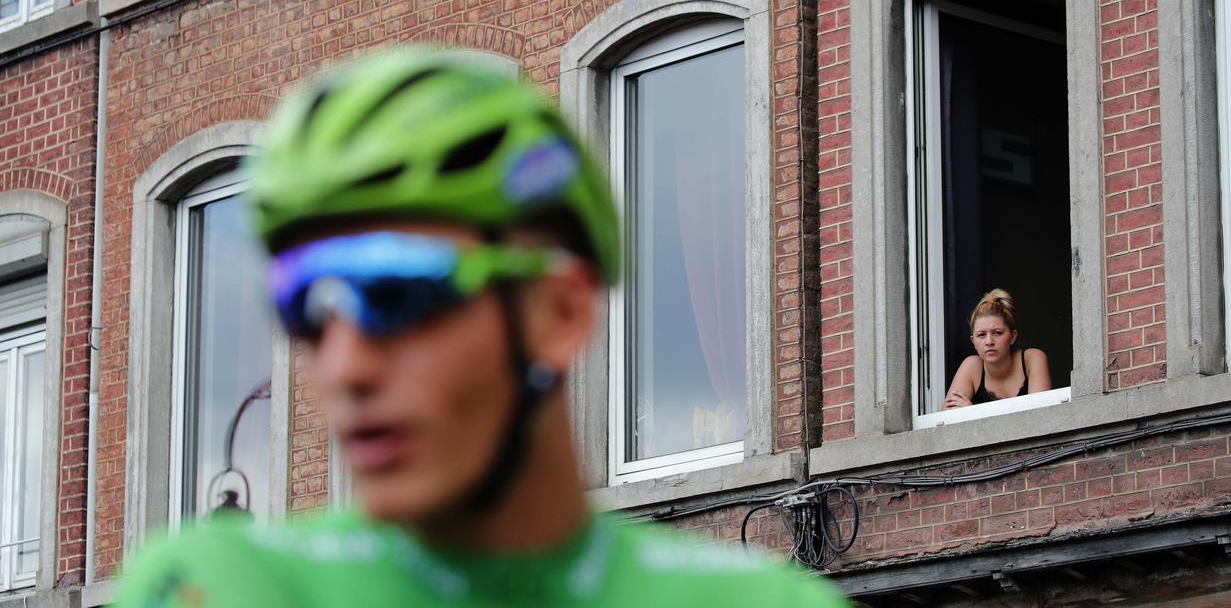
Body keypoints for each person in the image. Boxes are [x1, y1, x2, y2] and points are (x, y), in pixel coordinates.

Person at [114, 50, 848, 607]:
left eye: (399, 295)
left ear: (559, 314)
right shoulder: (216, 588)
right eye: (306, 309)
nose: (344, 368)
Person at [944, 288, 1052, 409]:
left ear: (1012, 336)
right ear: (973, 341)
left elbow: (1040, 417)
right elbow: (947, 419)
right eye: (981, 335)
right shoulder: (972, 366)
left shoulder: (1032, 359)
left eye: (997, 333)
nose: (989, 342)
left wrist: (972, 412)